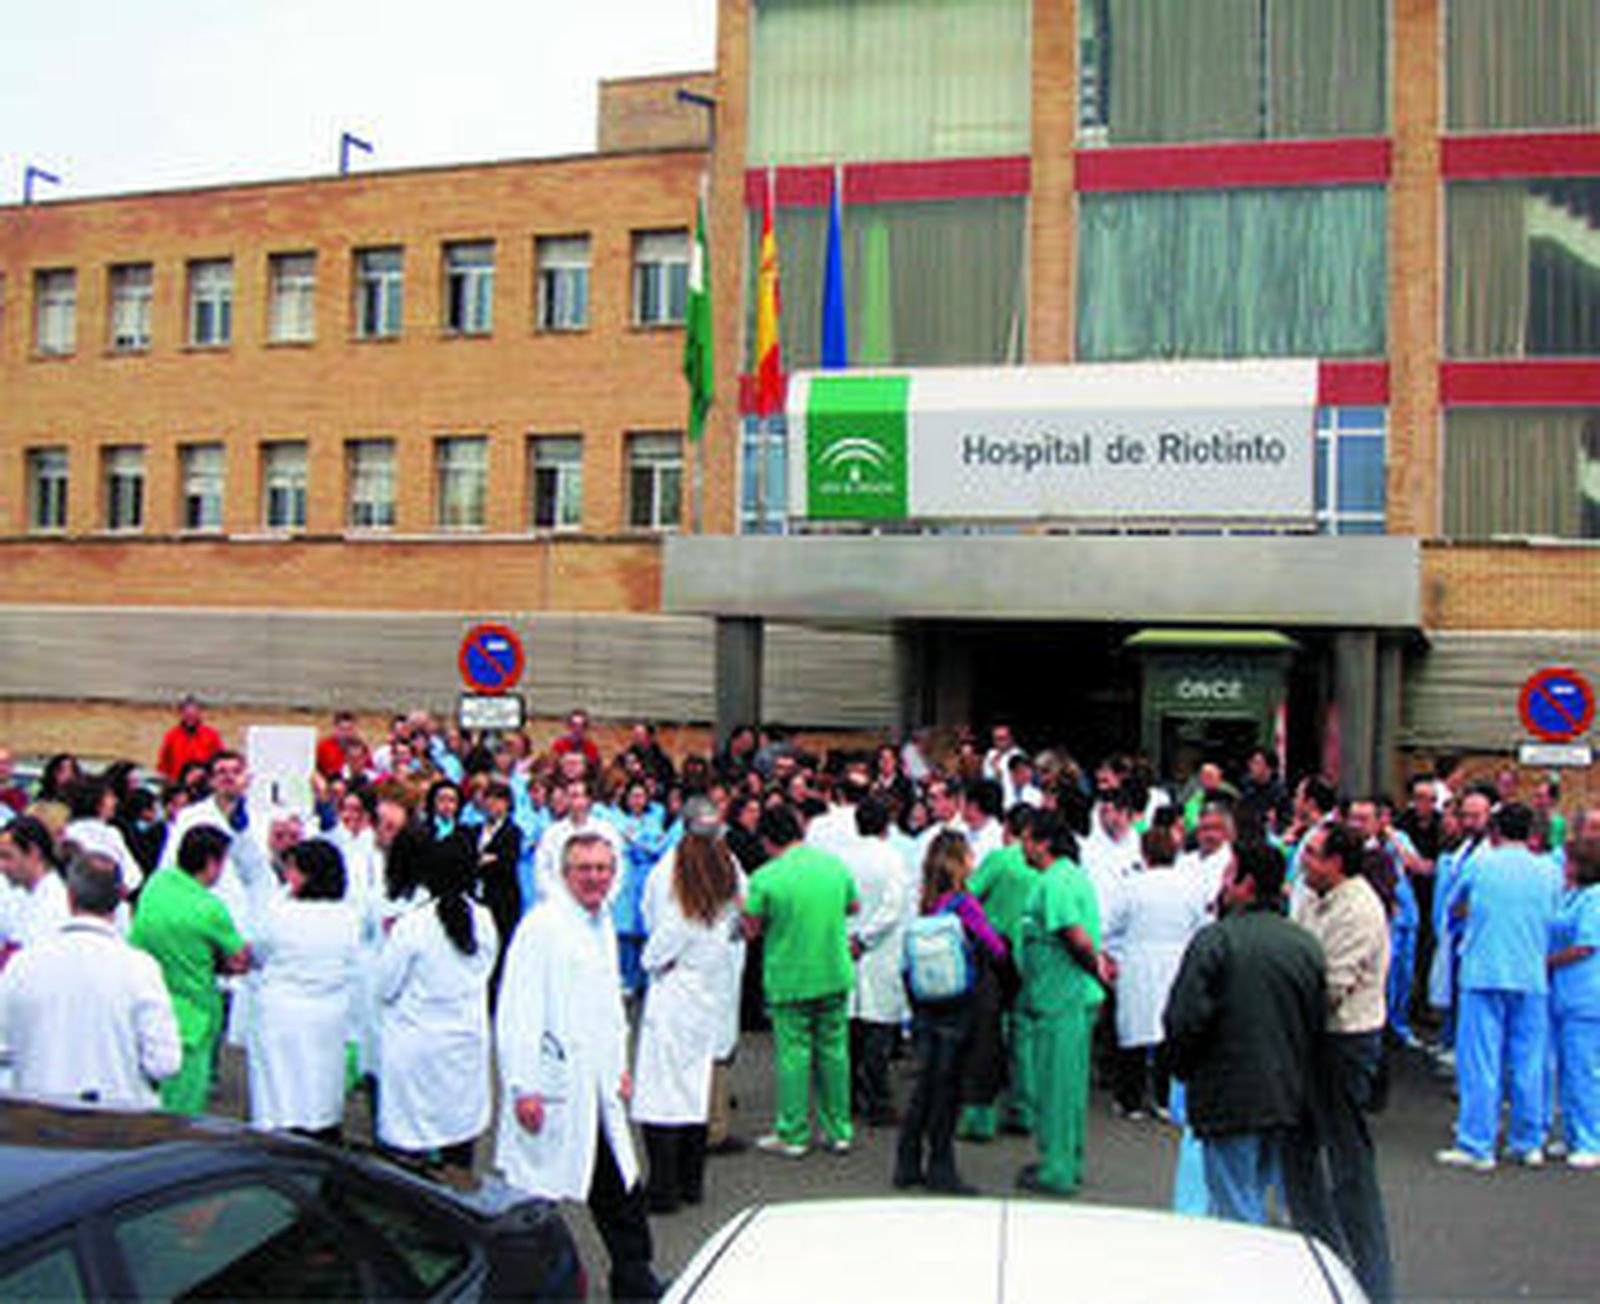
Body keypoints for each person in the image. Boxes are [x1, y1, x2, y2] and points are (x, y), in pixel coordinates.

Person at [496, 832, 663, 1302]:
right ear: (565, 873)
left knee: (618, 1190)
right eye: (584, 869)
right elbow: (518, 1011)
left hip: (597, 1082)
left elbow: (610, 1004)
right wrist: (523, 1086)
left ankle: (634, 1281)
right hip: (553, 1083)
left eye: (602, 869)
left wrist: (620, 1065)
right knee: (535, 1198)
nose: (594, 877)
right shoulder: (542, 926)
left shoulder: (601, 922)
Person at [1164, 841, 1326, 1228]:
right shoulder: (1305, 946)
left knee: (1234, 1205)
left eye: (1228, 874)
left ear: (1246, 884)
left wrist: (1184, 1070)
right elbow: (1317, 1022)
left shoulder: (1215, 941)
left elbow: (1184, 1020)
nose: (1222, 883)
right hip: (1286, 1094)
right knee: (1255, 1188)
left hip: (1229, 1095)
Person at [1293, 821, 1395, 1302]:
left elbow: (1329, 986)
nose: (1303, 860)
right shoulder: (1311, 896)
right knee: (1297, 1156)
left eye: (1312, 854)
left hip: (1344, 1042)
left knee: (1348, 1164)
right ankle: (1320, 1256)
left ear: (1338, 862)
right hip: (1311, 1039)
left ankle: (1374, 1283)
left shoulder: (1358, 909)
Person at [1438, 802, 1563, 1169]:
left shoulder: (1481, 863)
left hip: (1484, 968)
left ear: (1495, 831)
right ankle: (1529, 1140)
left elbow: (1455, 905)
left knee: (1481, 1059)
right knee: (1529, 1059)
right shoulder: (1549, 871)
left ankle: (1477, 1142)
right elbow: (1555, 916)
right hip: (1531, 971)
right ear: (1531, 834)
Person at [632, 805, 744, 1213]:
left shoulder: (679, 894)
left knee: (661, 1098)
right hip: (709, 992)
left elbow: (654, 949)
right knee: (695, 1091)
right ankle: (690, 1182)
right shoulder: (727, 878)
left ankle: (663, 1189)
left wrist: (655, 959)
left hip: (677, 992)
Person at [0, 853, 180, 1107]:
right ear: (119, 901)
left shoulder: (22, 964)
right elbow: (165, 1063)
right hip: (118, 1121)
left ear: (69, 897)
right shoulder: (140, 969)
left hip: (38, 1123)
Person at [893, 830, 1008, 1195]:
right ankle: (942, 1167)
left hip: (926, 1002)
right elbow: (994, 948)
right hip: (958, 1004)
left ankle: (907, 1161)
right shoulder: (963, 904)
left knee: (926, 1085)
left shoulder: (928, 903)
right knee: (948, 1088)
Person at [376, 831, 498, 1171]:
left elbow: (385, 986)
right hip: (465, 1041)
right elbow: (487, 970)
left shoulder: (413, 925)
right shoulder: (485, 920)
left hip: (417, 1045)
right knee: (459, 1143)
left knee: (410, 1151)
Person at [743, 803, 859, 1159]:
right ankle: (839, 1129)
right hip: (833, 969)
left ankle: (793, 1132)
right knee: (834, 1052)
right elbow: (853, 907)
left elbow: (751, 927)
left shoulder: (765, 877)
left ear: (767, 840)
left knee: (794, 1055)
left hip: (790, 974)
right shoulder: (834, 866)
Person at [1016, 810, 1108, 1197]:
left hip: (1061, 998)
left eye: (1025, 838)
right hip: (1067, 997)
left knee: (1055, 1089)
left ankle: (1057, 1170)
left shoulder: (1055, 882)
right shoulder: (1067, 876)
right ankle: (1067, 1159)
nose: (1020, 845)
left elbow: (1076, 936)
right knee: (1068, 1089)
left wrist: (1097, 968)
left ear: (1043, 843)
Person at [130, 825, 251, 1114]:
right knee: (183, 1114)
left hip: (144, 1006)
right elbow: (240, 959)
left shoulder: (156, 883)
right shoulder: (210, 908)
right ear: (212, 863)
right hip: (193, 1019)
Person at [248, 839, 360, 1140]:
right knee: (320, 1093)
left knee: (280, 1096)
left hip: (282, 1015)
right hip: (329, 1015)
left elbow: (258, 951)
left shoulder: (281, 914)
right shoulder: (348, 916)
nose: (287, 877)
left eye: (293, 871)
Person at [1103, 827, 1209, 1121]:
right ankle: (1165, 1099)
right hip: (1176, 960)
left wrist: (1113, 953)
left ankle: (1130, 1100)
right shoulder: (1190, 886)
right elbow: (1201, 925)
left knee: (1134, 1031)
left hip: (1137, 959)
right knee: (1167, 1030)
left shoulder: (1131, 885)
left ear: (1144, 853)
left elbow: (1111, 927)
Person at [840, 797, 910, 1128]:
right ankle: (879, 1100)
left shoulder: (844, 859)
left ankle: (850, 1095)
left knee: (851, 1027)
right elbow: (894, 908)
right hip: (879, 951)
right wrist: (866, 938)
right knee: (878, 1029)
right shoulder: (893, 859)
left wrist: (852, 937)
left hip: (848, 946)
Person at [1550, 816, 1600, 1167]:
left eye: (1569, 861)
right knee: (1568, 1068)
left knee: (1585, 1070)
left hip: (1587, 995)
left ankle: (1591, 1138)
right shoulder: (1573, 896)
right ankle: (1571, 1132)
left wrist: (1546, 962)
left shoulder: (1595, 900)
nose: (1564, 866)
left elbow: (1585, 946)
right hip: (1567, 996)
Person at [0, 816, 70, 956]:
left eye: (7, 856)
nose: (1, 866)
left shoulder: (56, 904)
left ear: (34, 853)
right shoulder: (17, 894)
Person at [156, 695, 224, 784]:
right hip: (178, 784)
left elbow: (220, 759)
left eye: (193, 714)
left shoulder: (211, 734)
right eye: (187, 714)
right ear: (181, 714)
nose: (190, 717)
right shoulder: (172, 735)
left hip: (204, 783)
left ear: (199, 713)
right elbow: (164, 762)